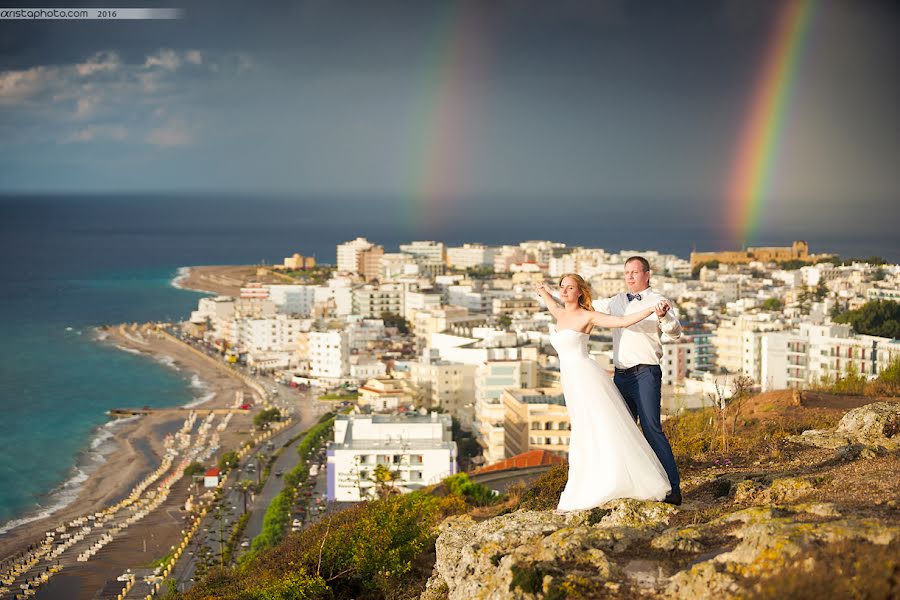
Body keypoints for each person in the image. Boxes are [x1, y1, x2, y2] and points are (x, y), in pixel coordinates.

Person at [534, 273, 671, 512]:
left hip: (586, 378)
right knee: (583, 428)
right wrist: (543, 291)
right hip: (571, 381)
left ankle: (614, 480)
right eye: (562, 287)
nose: (565, 291)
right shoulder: (560, 313)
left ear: (580, 292)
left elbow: (622, 322)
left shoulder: (587, 315)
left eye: (570, 287)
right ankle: (590, 479)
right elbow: (552, 304)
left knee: (599, 426)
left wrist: (651, 310)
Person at [592, 256, 683, 505]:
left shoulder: (659, 301)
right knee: (622, 430)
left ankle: (673, 488)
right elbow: (586, 306)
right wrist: (548, 296)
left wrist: (664, 317)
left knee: (652, 429)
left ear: (647, 274)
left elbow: (675, 333)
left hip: (646, 373)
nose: (630, 276)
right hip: (621, 375)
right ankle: (628, 485)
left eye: (634, 272)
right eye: (627, 272)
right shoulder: (616, 301)